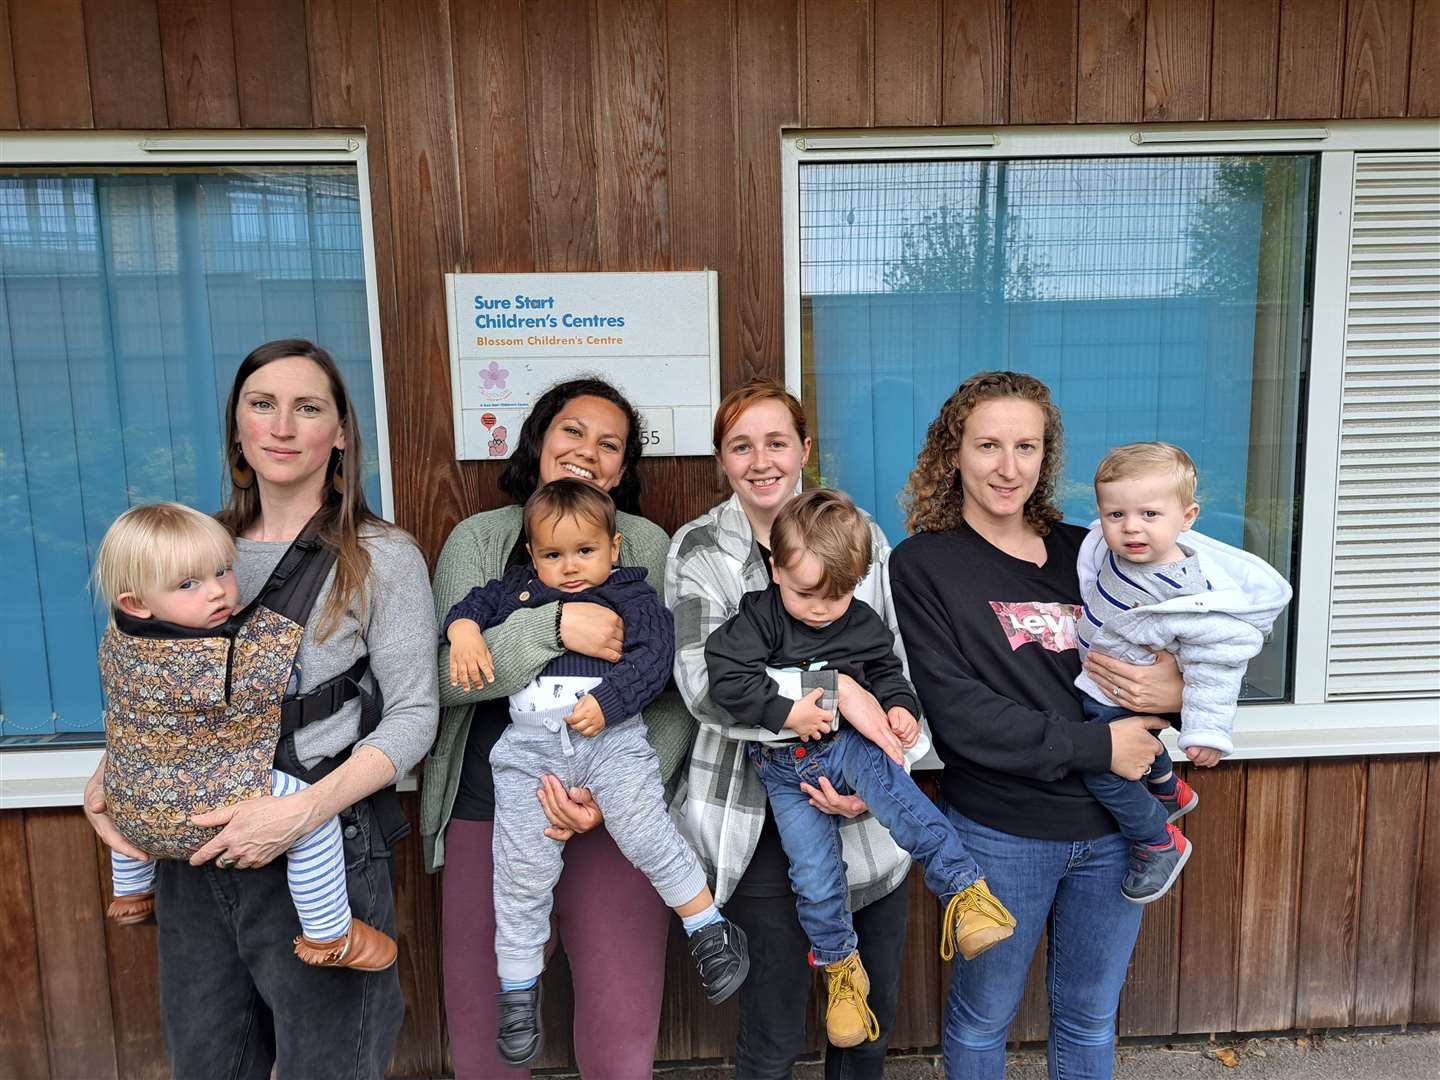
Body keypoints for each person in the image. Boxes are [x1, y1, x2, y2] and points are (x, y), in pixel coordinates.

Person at [83, 339, 438, 1079]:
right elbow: (150, 685)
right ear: (237, 428)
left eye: (307, 407)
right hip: (197, 856)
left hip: (319, 842)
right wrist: (112, 776)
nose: (282, 426)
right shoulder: (186, 547)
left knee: (330, 1065)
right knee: (210, 1064)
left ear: (339, 432)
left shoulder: (381, 556)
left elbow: (413, 717)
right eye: (261, 404)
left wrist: (298, 814)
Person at [889, 370, 1186, 1080]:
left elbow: (1182, 640)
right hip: (999, 833)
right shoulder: (924, 564)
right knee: (983, 1017)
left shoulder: (1093, 554)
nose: (1008, 466)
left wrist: (1173, 688)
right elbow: (960, 716)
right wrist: (1098, 744)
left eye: (1027, 446)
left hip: (1117, 836)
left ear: (1046, 454)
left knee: (1089, 1020)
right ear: (952, 451)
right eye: (988, 444)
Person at [421, 378, 696, 1079]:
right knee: (489, 1036)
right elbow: (440, 681)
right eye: (573, 431)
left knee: (621, 1029)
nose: (589, 452)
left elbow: (674, 691)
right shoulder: (481, 540)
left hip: (614, 809)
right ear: (539, 441)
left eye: (611, 444)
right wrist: (550, 626)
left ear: (623, 469)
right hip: (491, 808)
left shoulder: (648, 546)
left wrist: (619, 797)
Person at [442, 479, 748, 1065]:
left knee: (646, 831)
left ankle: (708, 927)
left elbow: (656, 660)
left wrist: (609, 703)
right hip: (530, 750)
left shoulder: (632, 597)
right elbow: (469, 608)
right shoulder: (519, 593)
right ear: (532, 556)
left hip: (610, 740)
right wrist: (461, 629)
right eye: (553, 555)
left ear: (615, 546)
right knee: (520, 874)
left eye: (585, 551)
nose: (571, 567)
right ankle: (517, 988)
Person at [704, 488, 1015, 1049]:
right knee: (815, 877)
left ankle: (967, 894)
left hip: (851, 748)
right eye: (807, 594)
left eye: (840, 594)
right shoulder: (759, 619)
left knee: (906, 806)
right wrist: (786, 710)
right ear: (775, 569)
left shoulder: (863, 621)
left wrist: (900, 708)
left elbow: (887, 671)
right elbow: (725, 681)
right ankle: (841, 971)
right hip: (785, 770)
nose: (823, 609)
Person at [667, 377, 914, 1079]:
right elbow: (704, 686)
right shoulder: (701, 550)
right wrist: (835, 692)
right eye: (740, 446)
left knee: (866, 1025)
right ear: (721, 459)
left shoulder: (860, 533)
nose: (761, 461)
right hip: (751, 819)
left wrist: (884, 773)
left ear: (804, 448)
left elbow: (893, 668)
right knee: (773, 1029)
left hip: (861, 816)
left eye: (777, 441)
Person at [95, 502, 396, 972]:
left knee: (124, 784)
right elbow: (264, 680)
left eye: (222, 571)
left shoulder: (118, 640)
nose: (218, 592)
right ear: (136, 602)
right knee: (308, 813)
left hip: (130, 803)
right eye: (189, 584)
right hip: (207, 797)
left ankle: (131, 890)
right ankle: (329, 934)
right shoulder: (210, 658)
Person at [1073, 441, 1291, 903]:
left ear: (1187, 518)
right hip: (1102, 683)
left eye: (1150, 515)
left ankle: (1157, 841)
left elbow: (1216, 668)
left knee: (1101, 769)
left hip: (1127, 693)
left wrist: (1206, 730)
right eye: (1116, 515)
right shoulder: (1110, 549)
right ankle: (1167, 788)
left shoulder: (1194, 598)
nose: (1131, 527)